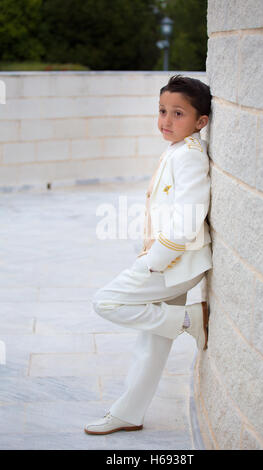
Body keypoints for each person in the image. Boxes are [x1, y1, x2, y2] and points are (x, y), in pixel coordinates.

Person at [84, 74, 212, 435]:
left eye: (178, 114)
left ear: (201, 122)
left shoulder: (189, 156)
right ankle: (129, 412)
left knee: (106, 301)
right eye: (162, 111)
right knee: (152, 344)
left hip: (172, 264)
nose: (166, 121)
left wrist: (153, 261)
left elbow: (189, 217)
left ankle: (189, 320)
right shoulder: (177, 149)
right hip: (172, 262)